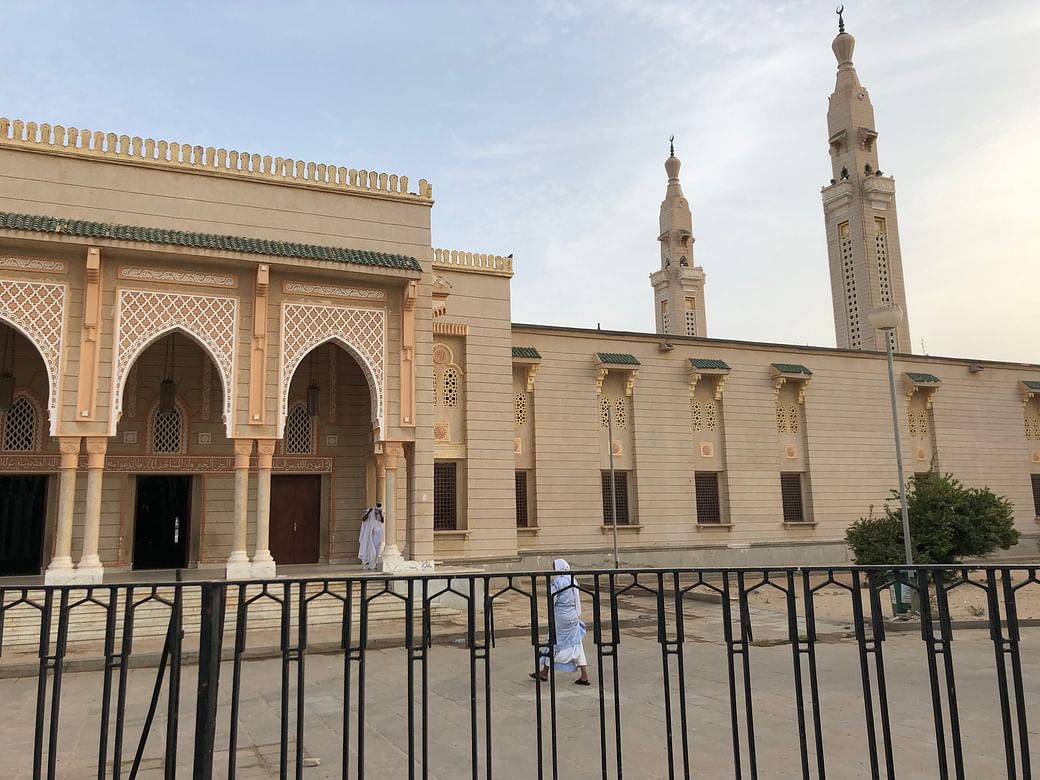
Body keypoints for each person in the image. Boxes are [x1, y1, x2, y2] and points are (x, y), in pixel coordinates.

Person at [531, 558, 591, 685]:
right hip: (573, 616)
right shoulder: (572, 580)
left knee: (553, 642)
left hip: (561, 617)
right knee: (576, 643)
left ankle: (544, 672)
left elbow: (552, 598)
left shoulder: (558, 582)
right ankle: (583, 675)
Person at [358, 503, 384, 571]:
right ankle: (370, 564)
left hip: (378, 534)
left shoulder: (381, 512)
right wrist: (369, 512)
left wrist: (380, 513)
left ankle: (374, 564)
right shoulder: (370, 511)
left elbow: (382, 521)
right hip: (371, 534)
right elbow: (364, 519)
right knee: (372, 550)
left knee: (377, 551)